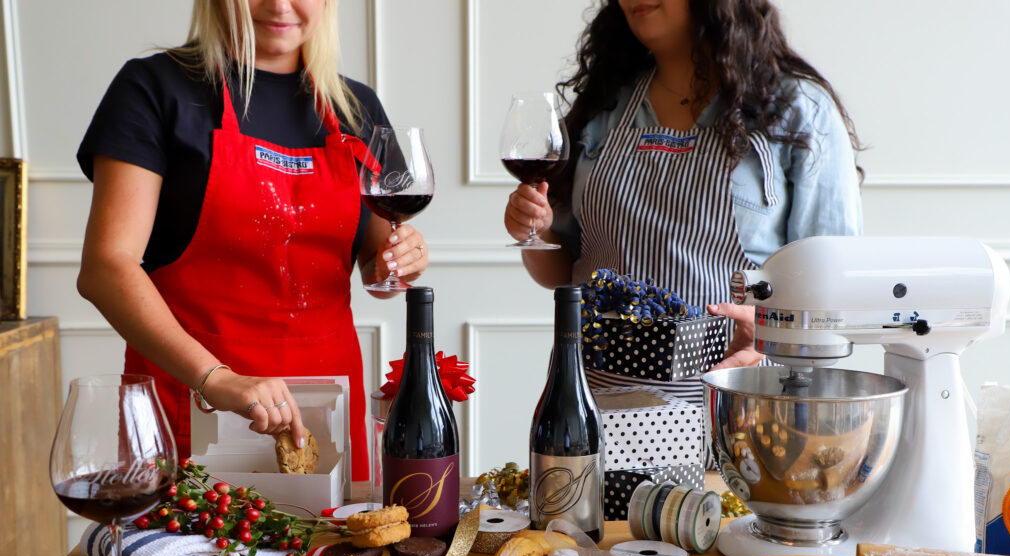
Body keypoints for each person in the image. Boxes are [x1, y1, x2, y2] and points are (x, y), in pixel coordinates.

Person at [76, 0, 428, 481]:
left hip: (326, 414)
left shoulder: (357, 105)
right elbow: (105, 268)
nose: (280, 5)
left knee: (332, 551)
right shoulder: (154, 88)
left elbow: (375, 260)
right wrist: (214, 378)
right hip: (193, 405)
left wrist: (400, 262)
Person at [504, 0, 862, 405]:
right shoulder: (604, 106)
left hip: (736, 405)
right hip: (594, 406)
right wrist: (537, 227)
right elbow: (563, 273)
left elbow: (833, 285)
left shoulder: (798, 108)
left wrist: (768, 340)